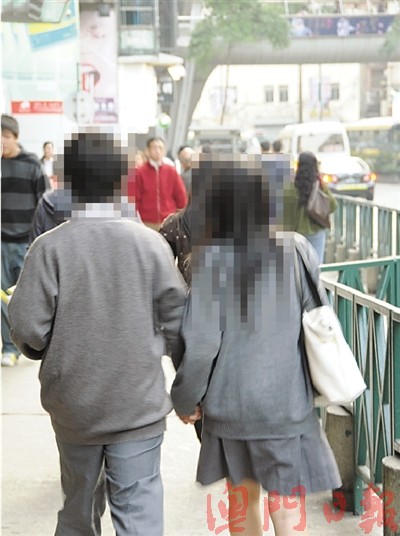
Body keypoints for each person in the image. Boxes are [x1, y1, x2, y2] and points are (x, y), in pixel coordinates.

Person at [8, 131, 187, 536]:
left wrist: (43, 348)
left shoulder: (48, 249)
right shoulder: (151, 246)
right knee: (139, 512)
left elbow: (27, 328)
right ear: (123, 179)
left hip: (75, 408)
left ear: (66, 181)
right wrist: (189, 390)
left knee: (79, 509)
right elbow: (179, 325)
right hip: (137, 407)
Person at [170, 154, 341, 536]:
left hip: (231, 408)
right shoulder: (297, 251)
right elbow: (319, 319)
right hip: (286, 404)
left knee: (242, 500)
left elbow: (201, 346)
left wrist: (184, 399)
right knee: (287, 507)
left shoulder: (211, 262)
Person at [1, 114, 50, 367]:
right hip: (1, 241)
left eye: (5, 136)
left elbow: (45, 202)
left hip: (26, 242)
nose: (2, 141)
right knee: (2, 297)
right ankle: (9, 347)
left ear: (16, 137)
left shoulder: (32, 164)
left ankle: (31, 342)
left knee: (27, 296)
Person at [285, 151, 337, 263]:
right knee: (316, 266)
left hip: (295, 235)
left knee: (298, 267)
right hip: (316, 232)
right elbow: (333, 205)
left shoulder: (290, 186)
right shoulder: (319, 185)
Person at [128, 137, 187, 230]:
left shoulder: (171, 171)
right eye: (154, 148)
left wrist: (182, 217)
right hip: (146, 222)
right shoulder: (139, 173)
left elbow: (180, 195)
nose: (158, 151)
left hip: (169, 221)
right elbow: (134, 198)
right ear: (147, 151)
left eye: (160, 148)